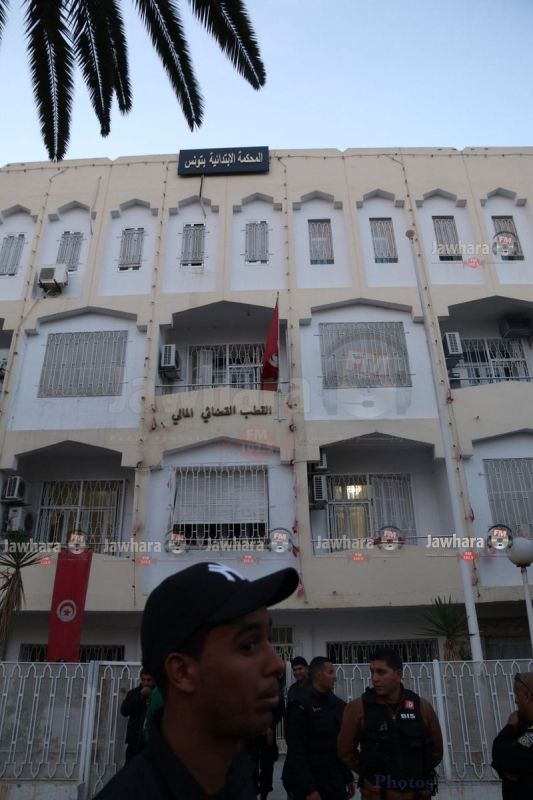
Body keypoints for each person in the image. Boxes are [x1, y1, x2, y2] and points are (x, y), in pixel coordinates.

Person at [93, 561, 299, 799]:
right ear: (181, 672)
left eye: (268, 639)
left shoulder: (237, 776)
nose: (277, 665)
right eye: (248, 645)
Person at [338, 648, 443, 800]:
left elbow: (436, 751)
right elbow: (345, 751)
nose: (375, 678)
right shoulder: (358, 708)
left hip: (416, 793)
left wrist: (413, 771)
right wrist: (370, 773)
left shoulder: (421, 707)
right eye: (372, 672)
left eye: (381, 672)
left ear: (398, 674)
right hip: (376, 794)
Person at [283, 656, 354, 800]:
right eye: (330, 672)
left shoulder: (337, 705)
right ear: (319, 675)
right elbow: (296, 750)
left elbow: (339, 744)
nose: (335, 677)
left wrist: (347, 776)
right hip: (309, 782)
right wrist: (309, 789)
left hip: (334, 780)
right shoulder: (300, 705)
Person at [492, 671, 533, 799]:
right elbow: (502, 758)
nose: (515, 701)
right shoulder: (524, 726)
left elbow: (503, 754)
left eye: (517, 695)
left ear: (527, 696)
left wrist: (509, 727)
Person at [247, 678, 285, 800]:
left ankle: (264, 793)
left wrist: (269, 725)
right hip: (252, 732)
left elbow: (279, 708)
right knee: (251, 765)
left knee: (267, 765)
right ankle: (254, 790)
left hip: (268, 733)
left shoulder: (273, 682)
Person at [120, 670, 155, 760]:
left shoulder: (158, 694)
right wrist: (140, 695)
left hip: (152, 743)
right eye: (143, 680)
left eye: (149, 680)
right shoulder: (134, 693)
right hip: (135, 742)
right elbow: (124, 711)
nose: (146, 683)